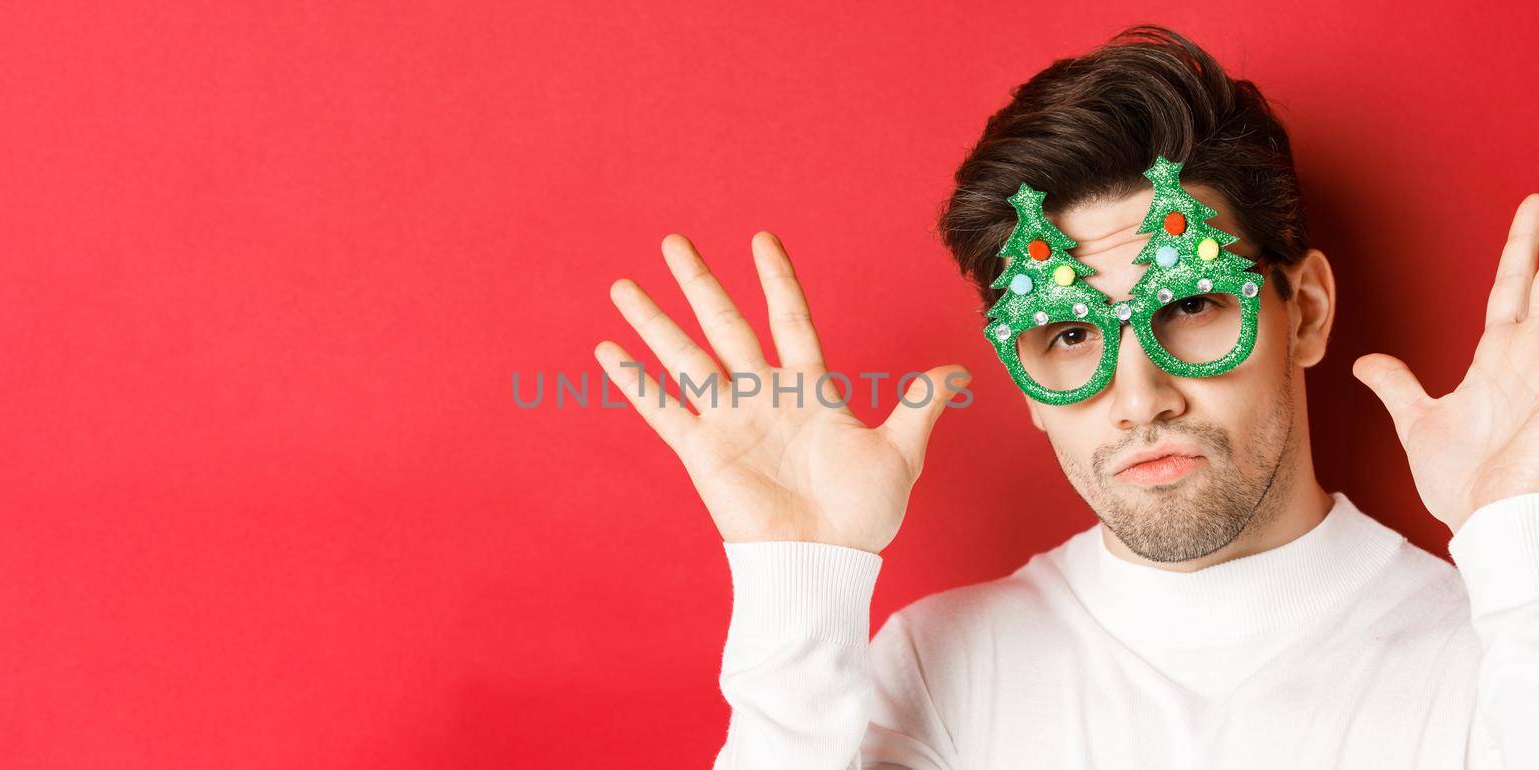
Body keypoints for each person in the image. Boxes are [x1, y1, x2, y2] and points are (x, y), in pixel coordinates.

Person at [592, 25, 1539, 769]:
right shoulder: (940, 669)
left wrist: (1521, 538)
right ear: (1027, 382)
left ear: (1308, 312)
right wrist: (795, 585)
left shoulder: (1491, 646)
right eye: (1072, 334)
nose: (1139, 398)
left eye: (1194, 303)